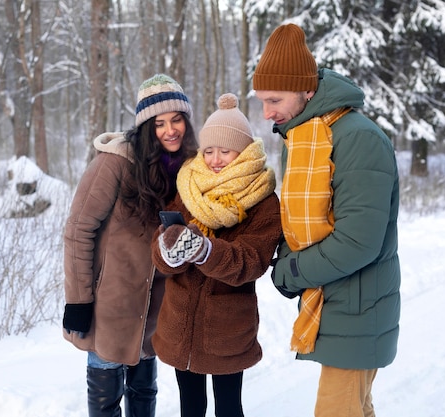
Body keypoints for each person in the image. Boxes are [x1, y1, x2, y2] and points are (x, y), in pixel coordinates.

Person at [253, 23, 401, 417]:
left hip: (358, 304)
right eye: (261, 101)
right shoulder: (306, 137)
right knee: (357, 409)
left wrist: (292, 272)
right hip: (339, 303)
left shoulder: (355, 138)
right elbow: (301, 219)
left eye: (274, 99)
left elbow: (358, 241)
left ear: (308, 91)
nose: (267, 112)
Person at [62, 74, 197, 417]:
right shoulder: (116, 162)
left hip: (157, 308)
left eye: (177, 120)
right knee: (106, 400)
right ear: (146, 129)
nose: (170, 130)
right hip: (112, 305)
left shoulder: (190, 170)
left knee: (144, 393)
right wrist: (78, 301)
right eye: (160, 123)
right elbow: (79, 230)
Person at [151, 93, 282, 417]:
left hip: (226, 328)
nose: (215, 159)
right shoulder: (190, 185)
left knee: (228, 408)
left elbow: (251, 260)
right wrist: (168, 249)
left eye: (225, 150)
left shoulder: (263, 200)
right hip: (179, 324)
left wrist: (205, 250)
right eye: (209, 150)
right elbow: (159, 249)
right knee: (190, 407)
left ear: (243, 152)